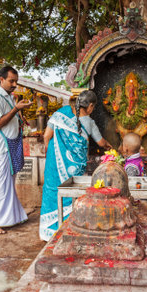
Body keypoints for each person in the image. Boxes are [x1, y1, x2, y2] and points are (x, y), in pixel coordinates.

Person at [39, 90, 112, 241]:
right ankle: (69, 229)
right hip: (75, 168)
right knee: (73, 194)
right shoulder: (90, 123)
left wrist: (54, 155)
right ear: (90, 106)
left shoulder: (60, 113)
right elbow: (101, 143)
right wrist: (111, 149)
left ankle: (47, 233)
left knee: (52, 192)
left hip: (54, 164)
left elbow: (47, 136)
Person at [0, 65, 33, 234]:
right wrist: (16, 109)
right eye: (11, 81)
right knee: (0, 186)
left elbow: (10, 119)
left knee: (8, 185)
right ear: (1, 79)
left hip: (9, 146)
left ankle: (12, 217)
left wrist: (19, 112)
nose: (14, 84)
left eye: (16, 82)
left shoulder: (9, 97)